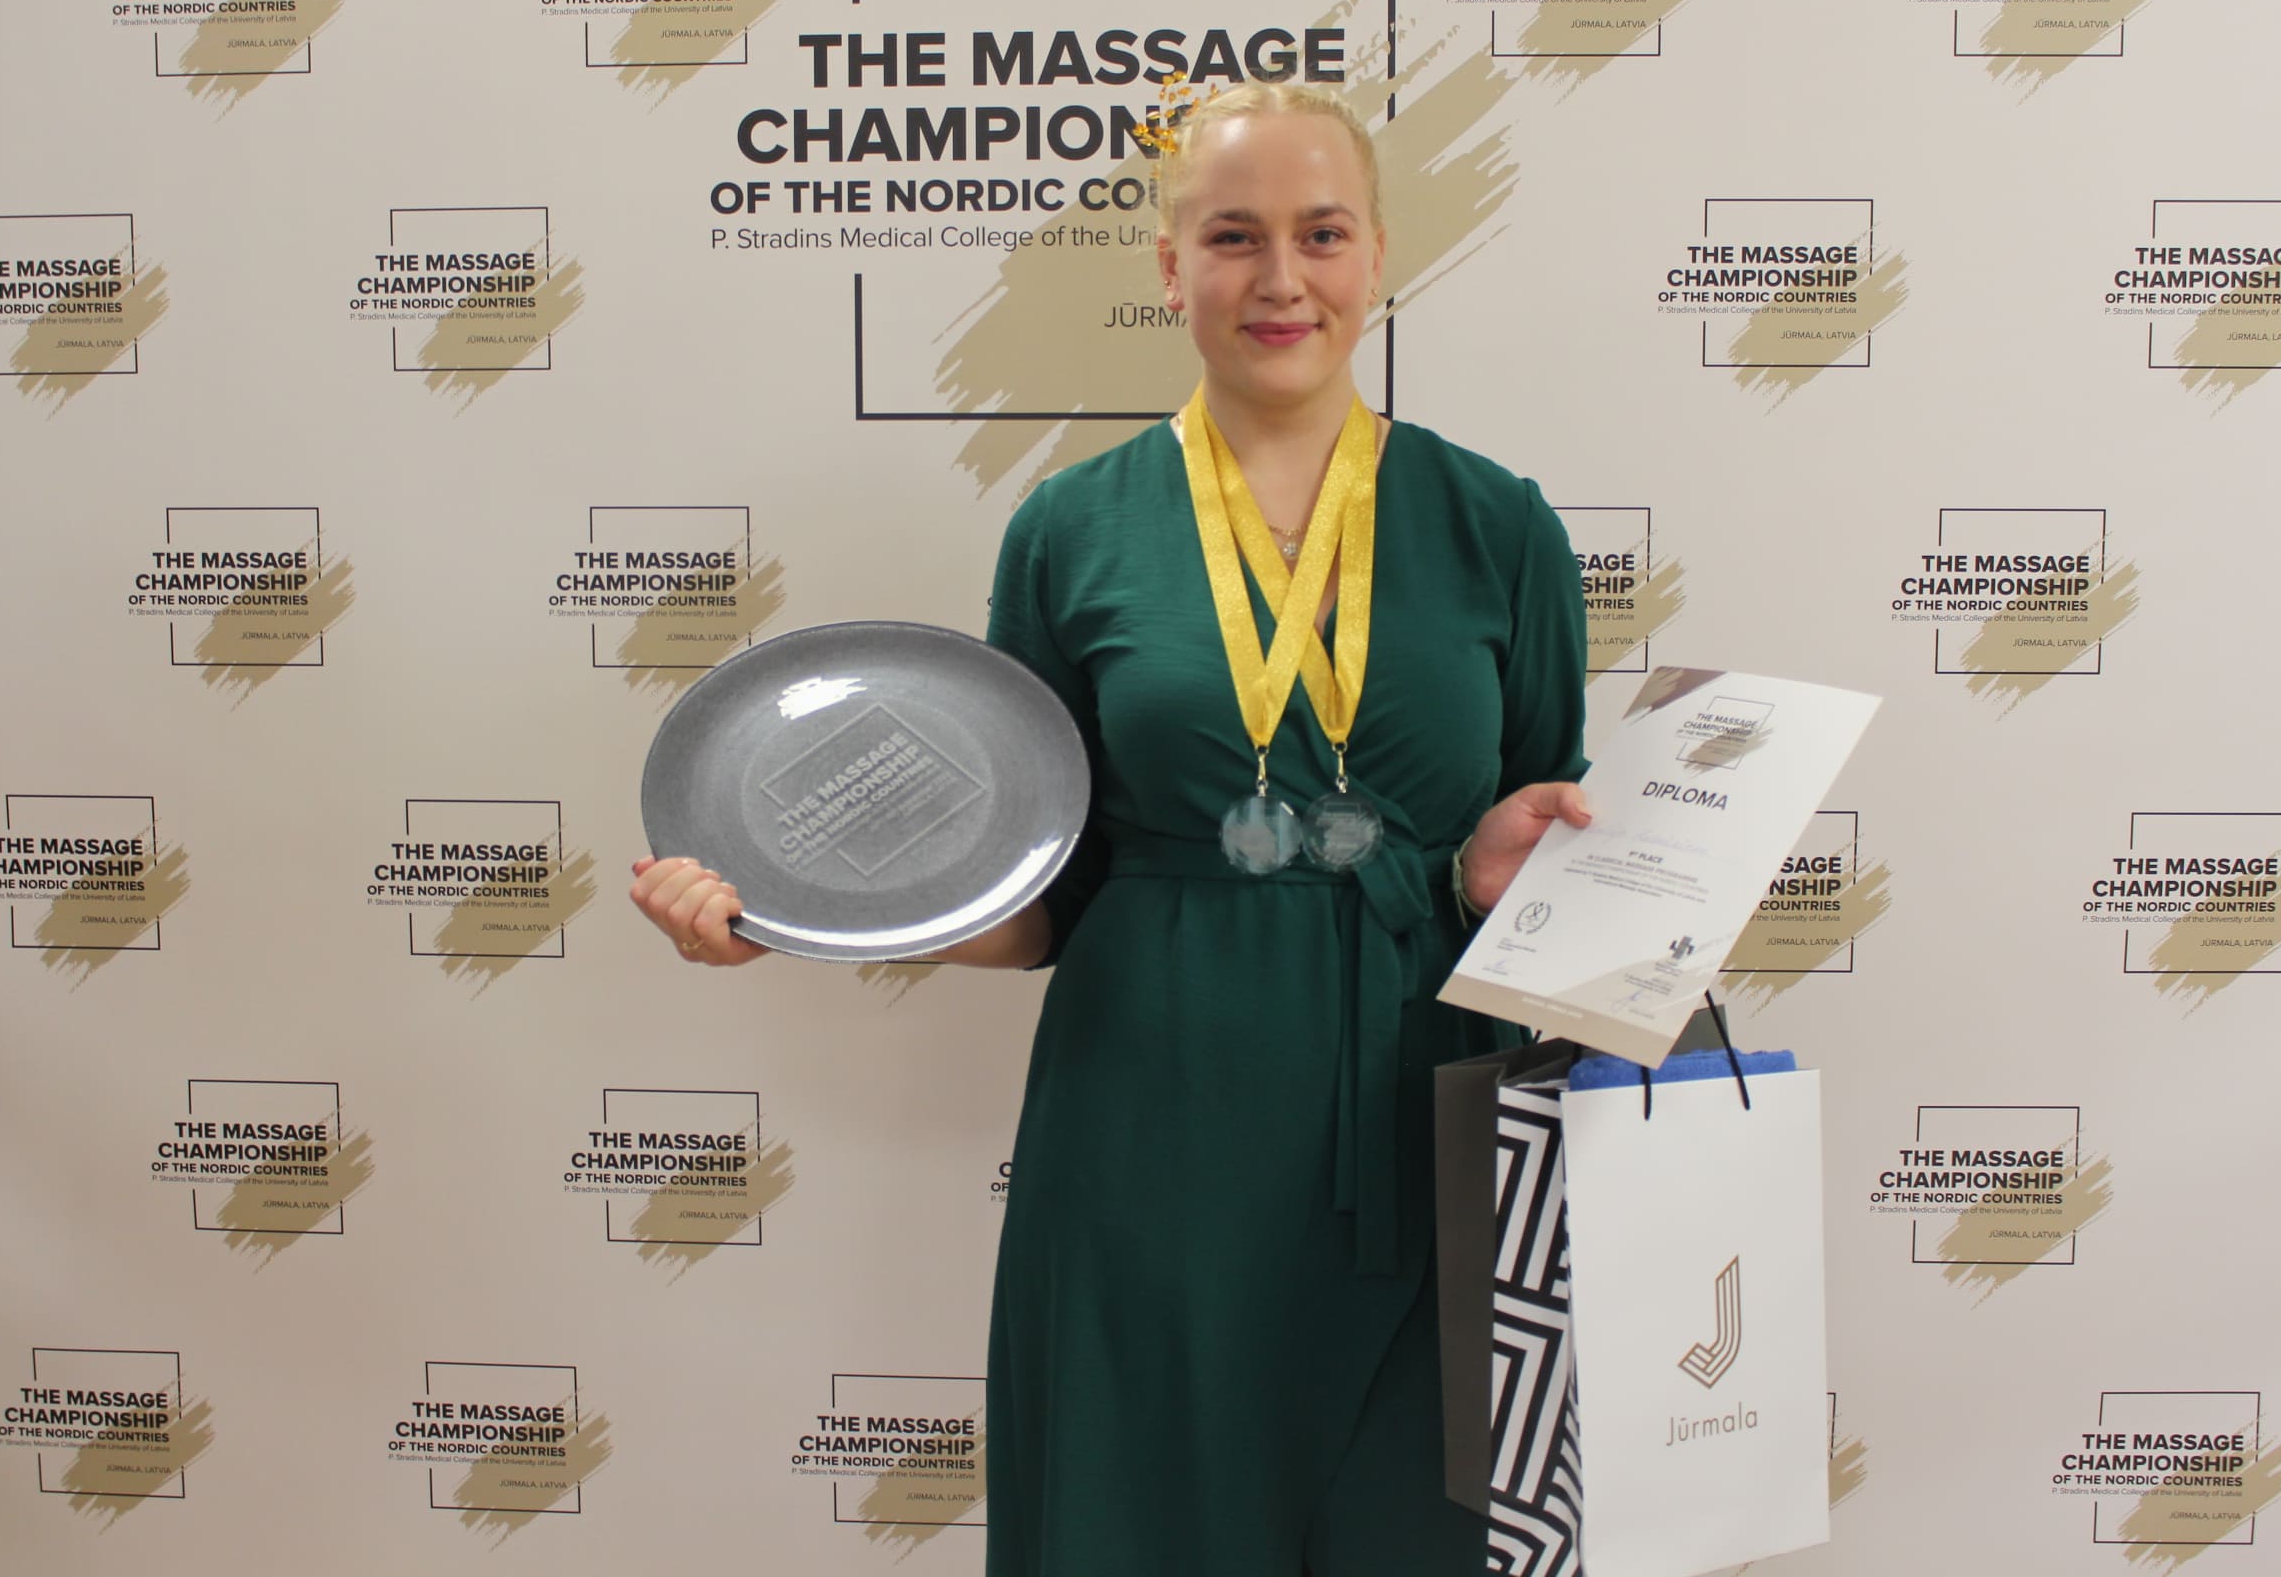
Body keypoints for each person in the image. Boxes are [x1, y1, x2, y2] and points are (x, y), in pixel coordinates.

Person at [632, 81, 1591, 1575]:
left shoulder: (1499, 523)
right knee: (1140, 1522)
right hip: (1152, 1118)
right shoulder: (1071, 529)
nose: (1281, 279)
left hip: (1431, 1105)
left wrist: (1492, 880)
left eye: (1322, 233)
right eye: (1234, 236)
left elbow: (1549, 846)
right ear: (1169, 264)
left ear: (1379, 255)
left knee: (1420, 1529)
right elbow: (1031, 894)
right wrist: (789, 911)